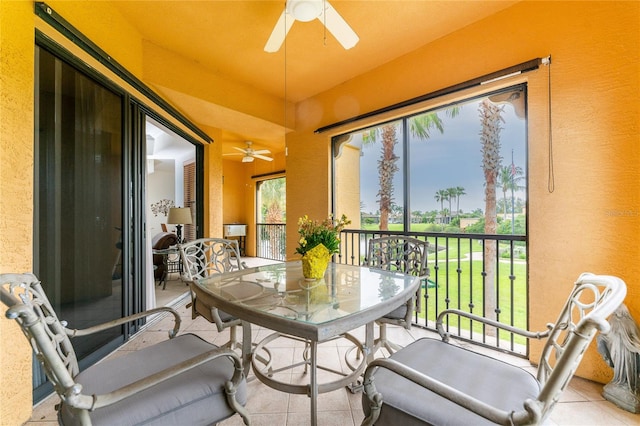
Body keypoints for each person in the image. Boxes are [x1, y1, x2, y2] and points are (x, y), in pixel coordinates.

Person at [597, 303, 640, 413]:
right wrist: (603, 338)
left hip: (628, 352)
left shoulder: (629, 321)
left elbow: (635, 336)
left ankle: (630, 388)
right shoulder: (612, 319)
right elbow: (609, 334)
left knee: (629, 370)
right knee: (620, 369)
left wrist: (636, 345)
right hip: (616, 351)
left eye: (618, 309)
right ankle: (619, 383)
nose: (616, 311)